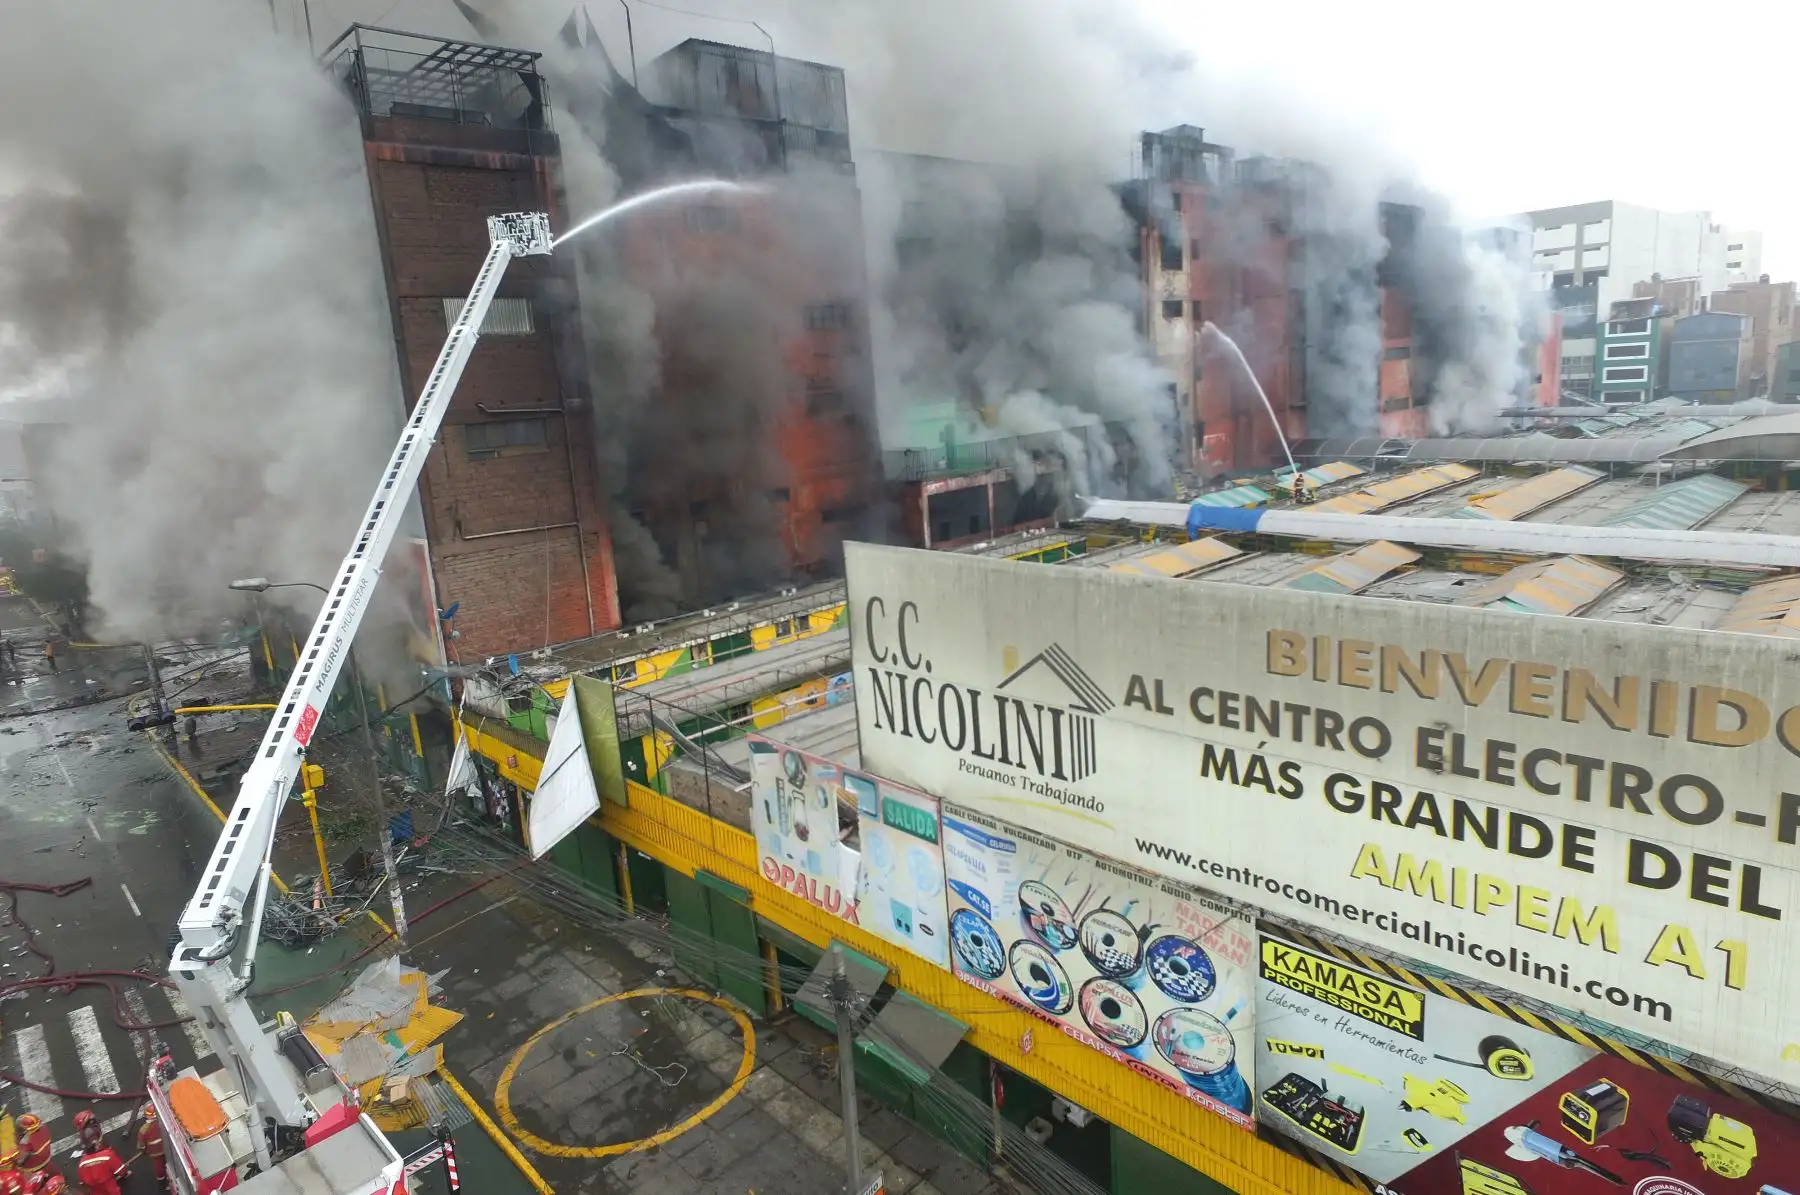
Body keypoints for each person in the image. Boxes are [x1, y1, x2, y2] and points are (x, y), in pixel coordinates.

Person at [136, 1108, 164, 1190]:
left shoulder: (144, 1129)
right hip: (166, 1148)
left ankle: (161, 1177)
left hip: (155, 1152)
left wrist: (143, 1150)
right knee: (167, 1162)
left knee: (158, 1164)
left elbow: (141, 1144)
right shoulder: (162, 1122)